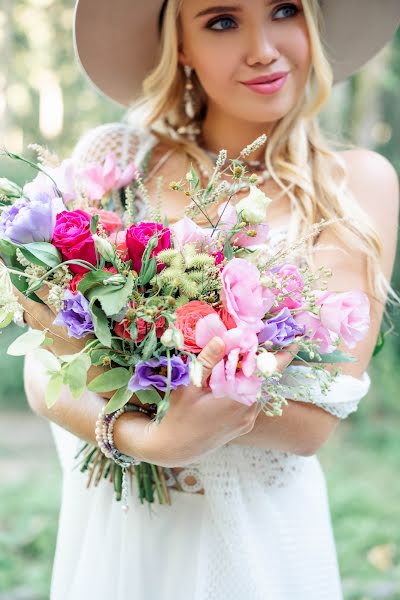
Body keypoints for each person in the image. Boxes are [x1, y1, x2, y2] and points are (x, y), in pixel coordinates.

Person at [18, 0, 399, 598]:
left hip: (257, 540)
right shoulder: (119, 163)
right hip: (118, 532)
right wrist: (147, 440)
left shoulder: (355, 183)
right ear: (181, 47)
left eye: (284, 10)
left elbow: (313, 424)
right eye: (222, 21)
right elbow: (44, 362)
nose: (263, 49)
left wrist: (128, 380)